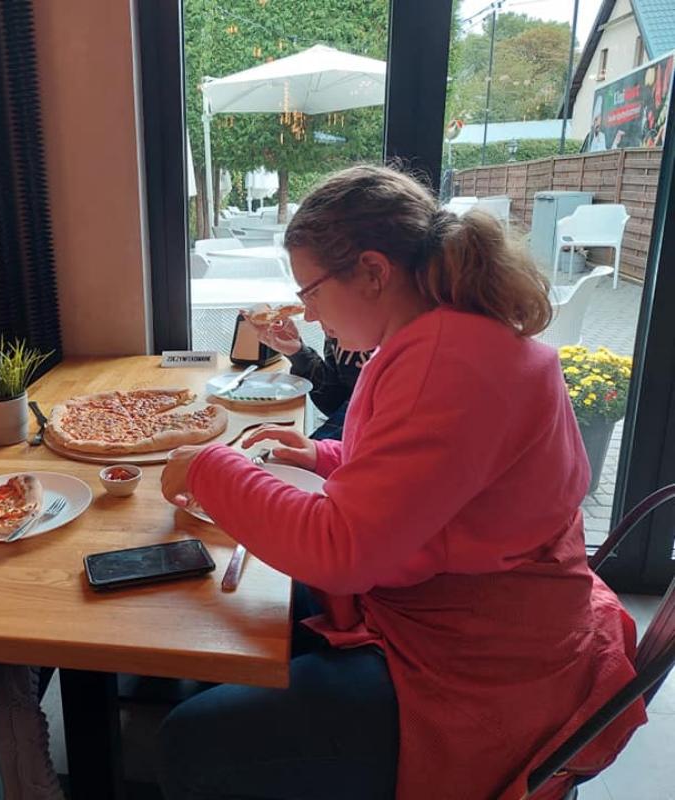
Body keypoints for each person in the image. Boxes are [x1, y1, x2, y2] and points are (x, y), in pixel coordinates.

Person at [158, 165, 645, 800]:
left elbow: (340, 551)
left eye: (312, 291)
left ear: (373, 271)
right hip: (496, 621)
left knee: (192, 740)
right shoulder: (449, 334)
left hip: (482, 669)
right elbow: (440, 479)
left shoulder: (446, 360)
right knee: (254, 618)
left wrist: (208, 466)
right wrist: (325, 457)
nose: (309, 312)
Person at [247, 315, 371, 440]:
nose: (308, 317)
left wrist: (315, 446)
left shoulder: (381, 351)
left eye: (313, 298)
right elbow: (335, 402)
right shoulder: (340, 323)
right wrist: (298, 353)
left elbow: (365, 421)